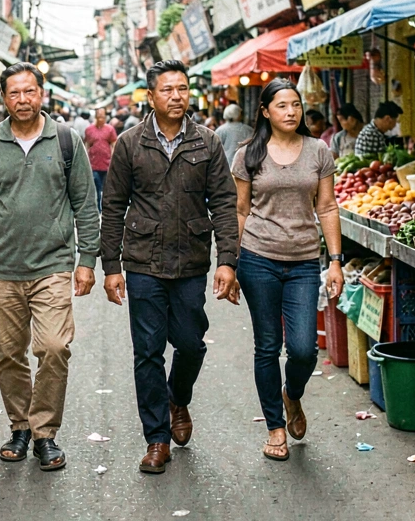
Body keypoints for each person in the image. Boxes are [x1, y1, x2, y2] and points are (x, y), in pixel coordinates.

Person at [0, 62, 100, 472]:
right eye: (14, 93)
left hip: (53, 265)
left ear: (42, 94)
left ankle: (45, 433)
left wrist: (86, 260)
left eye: (29, 92)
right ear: (4, 99)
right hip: (1, 267)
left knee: (54, 347)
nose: (23, 100)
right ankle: (20, 427)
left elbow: (86, 205)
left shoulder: (68, 142)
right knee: (9, 354)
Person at [99, 60, 239, 474]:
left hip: (192, 260)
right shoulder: (129, 143)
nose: (176, 96)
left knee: (192, 344)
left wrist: (227, 261)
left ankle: (179, 398)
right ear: (151, 96)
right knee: (147, 352)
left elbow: (225, 204)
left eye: (182, 88)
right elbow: (113, 206)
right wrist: (111, 266)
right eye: (167, 90)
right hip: (142, 261)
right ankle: (156, 438)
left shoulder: (207, 142)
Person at [231, 78, 342, 462]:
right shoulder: (248, 154)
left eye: (295, 104)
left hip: (304, 262)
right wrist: (229, 263)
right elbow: (240, 211)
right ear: (265, 111)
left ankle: (291, 394)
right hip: (257, 257)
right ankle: (275, 427)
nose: (291, 111)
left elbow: (327, 207)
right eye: (281, 105)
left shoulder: (318, 151)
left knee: (303, 349)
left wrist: (335, 262)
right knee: (267, 345)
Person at [84, 107, 117, 206]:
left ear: (106, 117)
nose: (101, 118)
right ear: (96, 117)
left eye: (103, 116)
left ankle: (105, 206)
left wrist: (114, 159)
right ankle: (98, 206)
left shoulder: (110, 129)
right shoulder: (89, 129)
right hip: (93, 164)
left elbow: (113, 144)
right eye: (99, 116)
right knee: (96, 186)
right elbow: (87, 145)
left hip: (107, 163)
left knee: (107, 187)